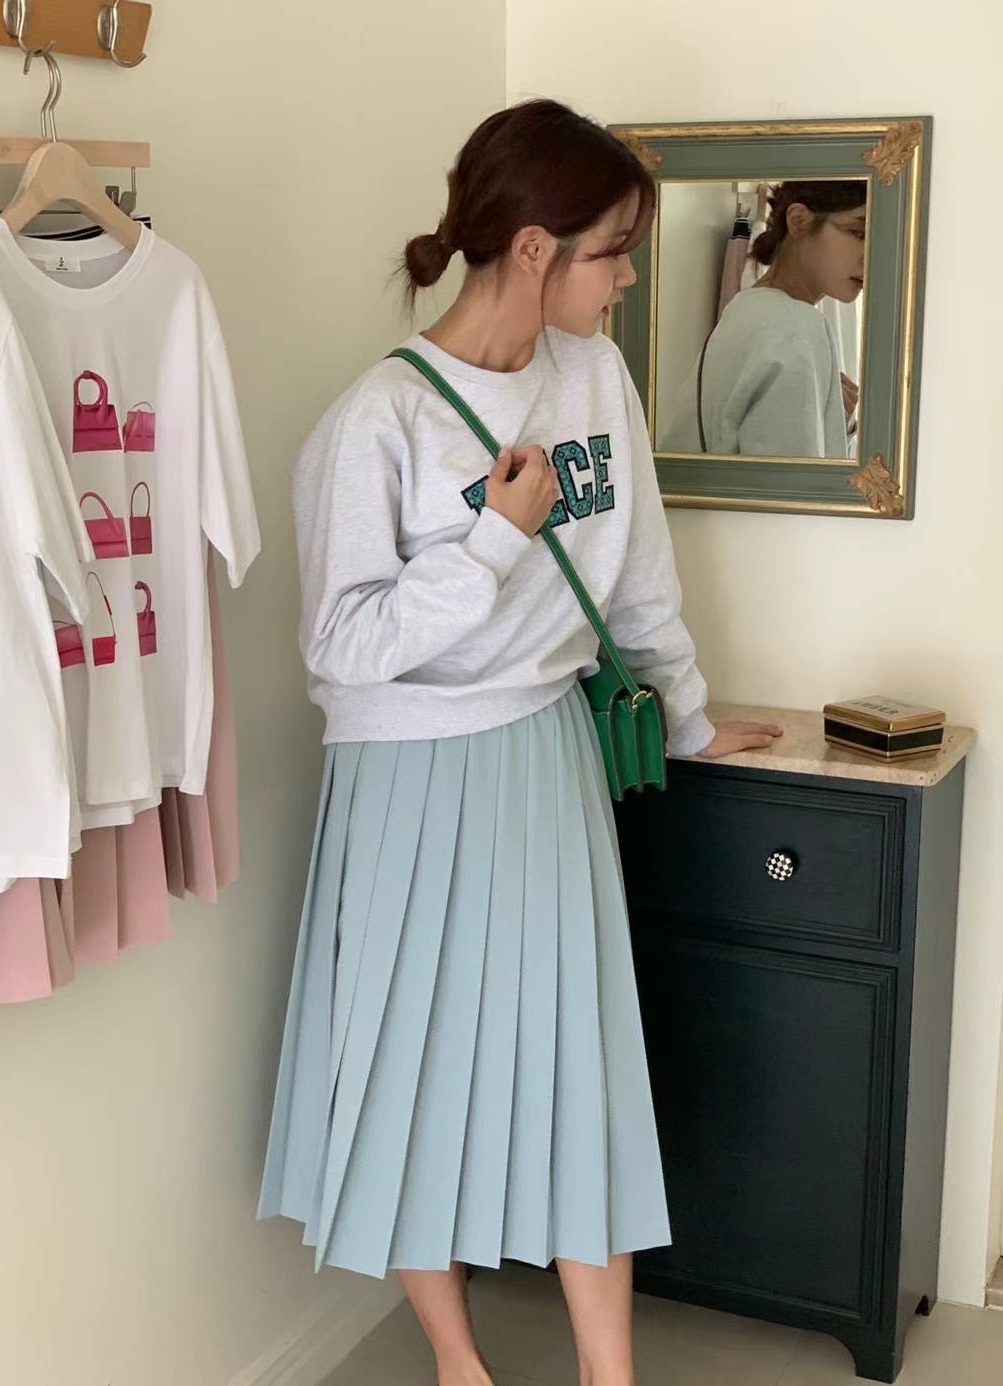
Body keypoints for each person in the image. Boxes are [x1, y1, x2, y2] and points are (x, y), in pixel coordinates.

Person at [258, 98, 781, 1386]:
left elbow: (636, 574)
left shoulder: (593, 377)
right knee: (409, 1067)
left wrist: (688, 712)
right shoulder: (376, 422)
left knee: (576, 1070)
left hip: (544, 758)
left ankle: (610, 1375)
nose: (627, 279)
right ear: (536, 247)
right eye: (614, 253)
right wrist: (490, 543)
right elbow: (341, 644)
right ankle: (460, 1363)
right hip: (405, 777)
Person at [662, 180, 867, 459]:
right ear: (798, 221)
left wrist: (835, 420)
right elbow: (790, 481)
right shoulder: (794, 326)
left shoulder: (748, 309)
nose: (870, 254)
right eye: (858, 233)